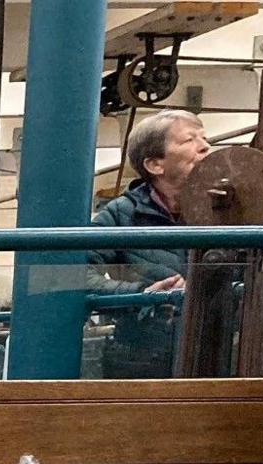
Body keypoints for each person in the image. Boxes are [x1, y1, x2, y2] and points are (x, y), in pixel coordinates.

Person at [90, 109, 211, 378]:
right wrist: (141, 294)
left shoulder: (230, 209)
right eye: (189, 140)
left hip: (217, 348)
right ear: (155, 165)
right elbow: (78, 273)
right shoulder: (121, 214)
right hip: (143, 355)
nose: (205, 147)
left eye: (204, 138)